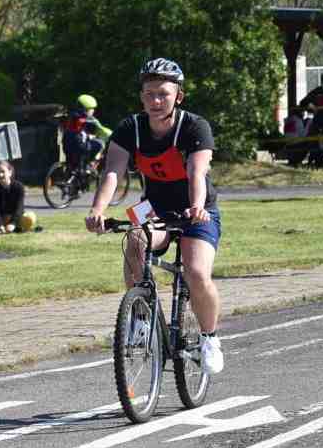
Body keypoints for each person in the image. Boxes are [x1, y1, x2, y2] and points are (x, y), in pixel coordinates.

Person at [84, 58, 224, 375]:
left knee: (196, 271)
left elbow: (197, 173)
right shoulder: (129, 129)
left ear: (178, 96)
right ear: (142, 97)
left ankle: (210, 338)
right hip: (154, 207)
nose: (156, 101)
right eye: (149, 94)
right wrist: (98, 210)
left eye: (163, 94)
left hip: (197, 208)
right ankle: (142, 319)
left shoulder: (194, 127)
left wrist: (197, 206)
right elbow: (112, 173)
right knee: (134, 238)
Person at [61, 93, 112, 171]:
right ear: (87, 108)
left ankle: (75, 170)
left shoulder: (71, 115)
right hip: (79, 145)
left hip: (66, 144)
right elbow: (102, 130)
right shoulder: (90, 119)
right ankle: (89, 165)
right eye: (92, 109)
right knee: (100, 144)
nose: (93, 111)